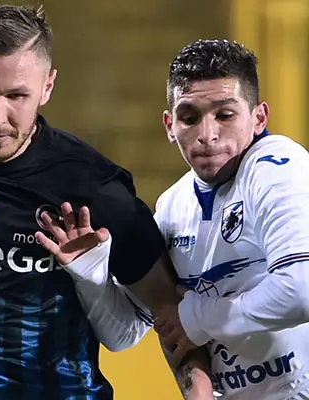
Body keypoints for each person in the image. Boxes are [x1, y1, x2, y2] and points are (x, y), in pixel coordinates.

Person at [0, 4, 190, 399]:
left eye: (16, 95)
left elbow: (166, 313)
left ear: (47, 86)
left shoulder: (94, 186)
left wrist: (92, 278)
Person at [153, 38, 309, 399]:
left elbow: (301, 289)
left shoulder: (278, 166)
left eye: (224, 115)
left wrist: (199, 319)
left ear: (259, 118)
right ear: (169, 125)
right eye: (189, 117)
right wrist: (89, 268)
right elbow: (130, 331)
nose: (207, 135)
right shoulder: (171, 206)